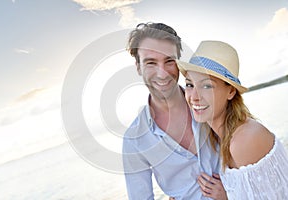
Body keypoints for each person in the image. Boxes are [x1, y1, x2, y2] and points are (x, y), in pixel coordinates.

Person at [122, 23, 227, 199]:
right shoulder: (134, 140)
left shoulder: (213, 103)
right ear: (138, 67)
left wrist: (232, 193)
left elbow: (252, 160)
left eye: (169, 61)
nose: (162, 73)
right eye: (150, 63)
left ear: (179, 61)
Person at [177, 40, 288, 199]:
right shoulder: (217, 135)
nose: (194, 97)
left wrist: (227, 197)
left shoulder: (245, 139)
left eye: (207, 86)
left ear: (230, 91)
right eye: (189, 85)